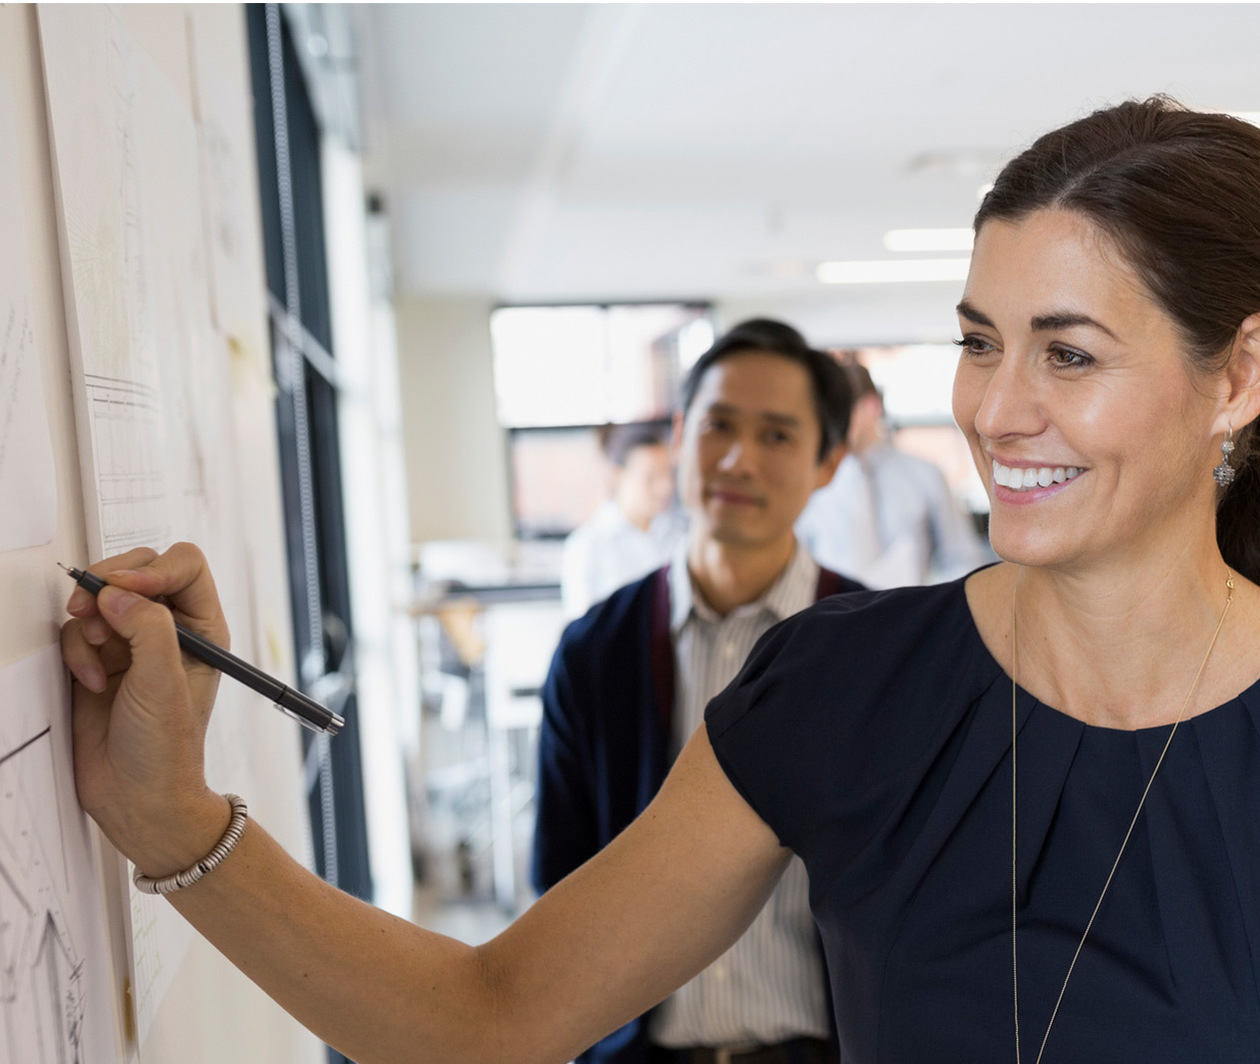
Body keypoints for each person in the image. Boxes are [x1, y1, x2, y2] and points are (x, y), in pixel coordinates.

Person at [60, 96, 1260, 1063]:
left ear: (1237, 379)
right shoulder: (843, 684)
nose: (997, 411)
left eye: (1069, 352)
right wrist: (169, 818)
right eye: (979, 342)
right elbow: (492, 1015)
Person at [534, 319, 863, 1063]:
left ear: (828, 462)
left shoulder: (879, 651)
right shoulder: (596, 653)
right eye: (718, 426)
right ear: (680, 436)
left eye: (778, 435)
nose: (738, 459)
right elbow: (558, 883)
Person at [796, 359, 992, 587]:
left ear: (871, 407)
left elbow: (962, 559)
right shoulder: (811, 481)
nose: (832, 424)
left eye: (840, 412)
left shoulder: (924, 475)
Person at [560, 421, 683, 622]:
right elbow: (583, 630)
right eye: (651, 478)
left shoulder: (682, 534)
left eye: (668, 474)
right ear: (618, 476)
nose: (666, 487)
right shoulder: (587, 546)